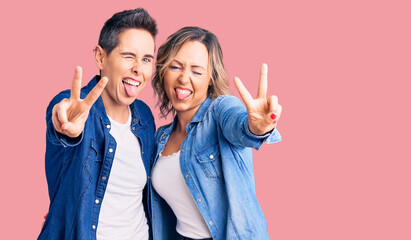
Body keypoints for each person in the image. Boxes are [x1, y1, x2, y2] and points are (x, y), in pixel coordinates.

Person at [150, 27, 282, 240]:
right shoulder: (160, 138)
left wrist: (256, 128)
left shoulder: (220, 112)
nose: (184, 78)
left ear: (211, 78)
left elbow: (240, 125)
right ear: (163, 71)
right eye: (175, 66)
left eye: (197, 70)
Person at [38, 8, 157, 240]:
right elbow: (62, 125)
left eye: (146, 59)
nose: (138, 68)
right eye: (128, 56)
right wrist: (67, 129)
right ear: (101, 57)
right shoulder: (75, 107)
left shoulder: (144, 116)